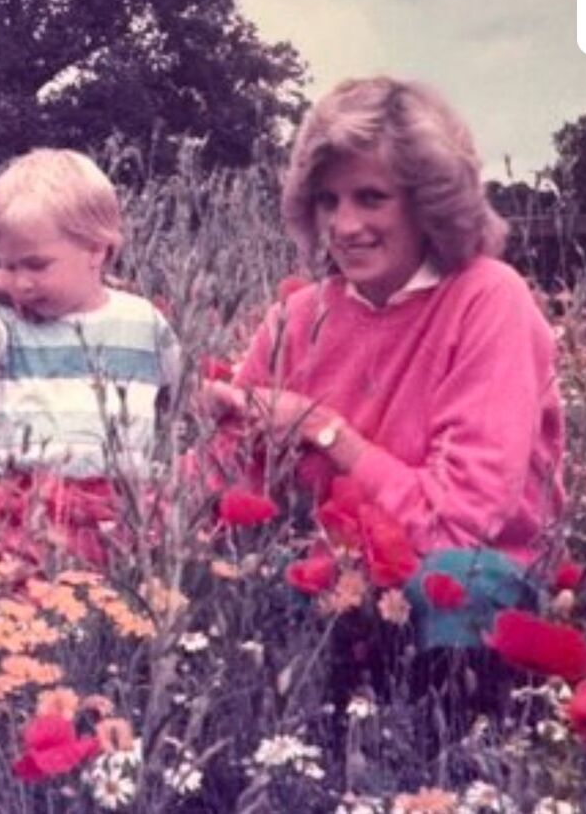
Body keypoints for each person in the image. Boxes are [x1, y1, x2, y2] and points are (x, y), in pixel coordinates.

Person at [205, 76, 566, 756]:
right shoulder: (299, 316)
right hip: (337, 579)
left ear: (430, 201)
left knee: (451, 585)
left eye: (371, 197)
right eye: (328, 200)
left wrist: (324, 429)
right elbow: (226, 476)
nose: (345, 226)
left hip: (464, 586)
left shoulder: (488, 299)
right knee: (231, 604)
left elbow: (459, 523)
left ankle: (462, 766)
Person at [0, 148, 181, 566]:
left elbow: (178, 397)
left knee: (111, 598)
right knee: (21, 600)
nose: (22, 283)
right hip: (28, 503)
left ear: (96, 250)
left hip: (117, 506)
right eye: (9, 266)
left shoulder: (144, 323)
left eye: (37, 265)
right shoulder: (14, 326)